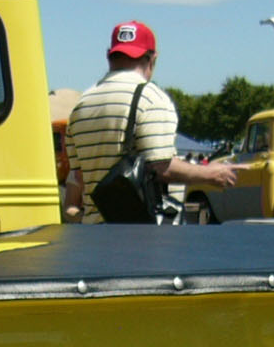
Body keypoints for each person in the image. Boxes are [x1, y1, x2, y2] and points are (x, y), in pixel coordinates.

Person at [64, 21, 239, 224]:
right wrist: (210, 174)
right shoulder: (150, 98)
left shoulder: (81, 105)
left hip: (95, 238)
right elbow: (161, 167)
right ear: (152, 59)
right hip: (139, 237)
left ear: (109, 55)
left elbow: (77, 179)